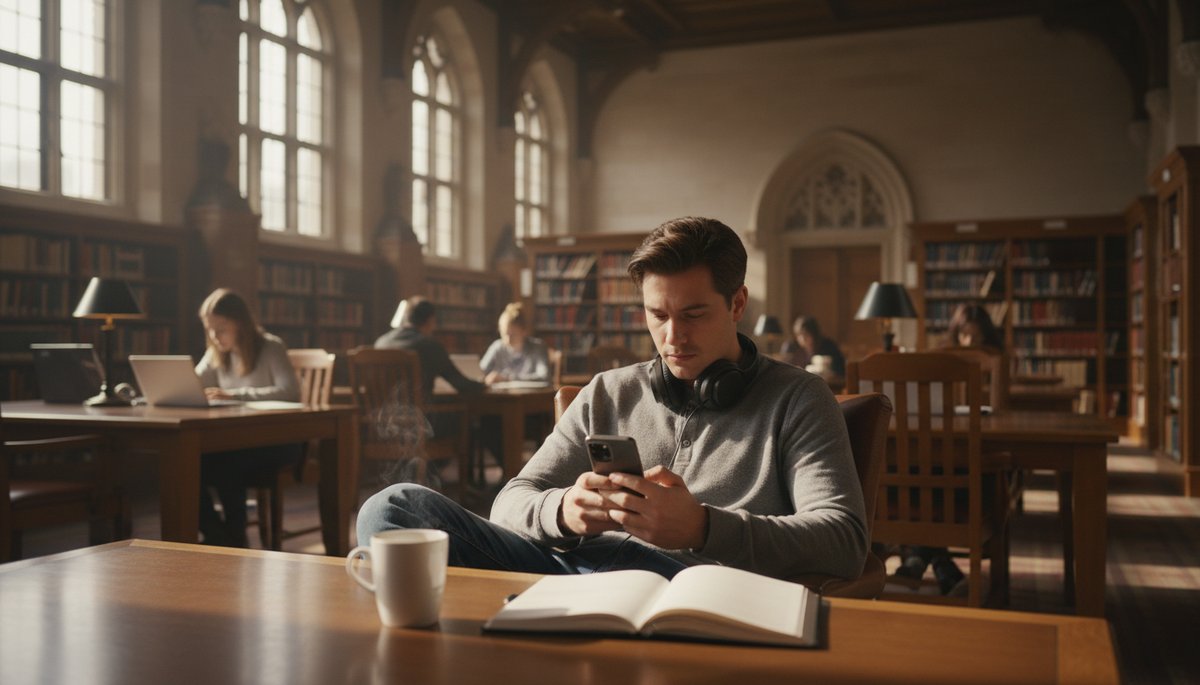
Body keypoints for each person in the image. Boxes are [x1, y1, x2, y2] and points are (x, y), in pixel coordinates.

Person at [355, 216, 868, 582]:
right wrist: (563, 512)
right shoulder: (609, 390)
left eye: (693, 315)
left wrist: (704, 527)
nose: (673, 338)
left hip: (694, 583)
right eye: (657, 316)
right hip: (567, 567)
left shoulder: (799, 397)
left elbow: (842, 540)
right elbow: (511, 499)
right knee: (394, 508)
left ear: (737, 304)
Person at [894, 302, 1002, 595]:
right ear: (956, 333)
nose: (969, 343)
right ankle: (943, 567)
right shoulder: (939, 355)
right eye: (965, 335)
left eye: (976, 336)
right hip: (958, 489)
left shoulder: (996, 358)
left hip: (915, 491)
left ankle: (917, 560)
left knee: (924, 473)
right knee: (932, 474)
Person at [195, 288, 301, 547]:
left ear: (240, 324)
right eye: (209, 329)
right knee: (189, 461)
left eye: (221, 328)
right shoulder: (217, 353)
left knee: (225, 461)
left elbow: (290, 392)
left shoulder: (270, 346)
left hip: (276, 441)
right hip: (234, 441)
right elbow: (192, 385)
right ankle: (219, 535)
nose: (214, 336)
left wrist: (233, 395)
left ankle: (233, 537)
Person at [375, 296, 486, 404]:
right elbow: (460, 384)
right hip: (419, 416)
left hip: (380, 413)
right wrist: (483, 384)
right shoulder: (429, 346)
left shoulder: (381, 342)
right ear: (430, 320)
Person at [480, 302, 551, 385]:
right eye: (504, 334)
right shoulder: (497, 346)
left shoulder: (538, 347)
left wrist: (508, 378)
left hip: (530, 397)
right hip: (500, 396)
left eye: (512, 335)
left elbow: (544, 377)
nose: (508, 339)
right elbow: (479, 372)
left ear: (524, 331)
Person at [780, 316, 846, 377]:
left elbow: (840, 369)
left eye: (806, 334)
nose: (803, 338)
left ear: (814, 334)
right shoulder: (793, 348)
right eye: (799, 335)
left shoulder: (828, 346)